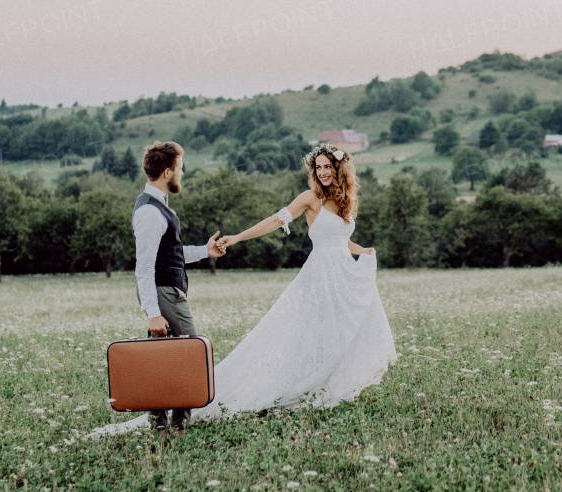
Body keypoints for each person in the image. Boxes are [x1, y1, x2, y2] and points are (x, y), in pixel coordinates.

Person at [89, 143, 396, 437]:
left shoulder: (344, 200)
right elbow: (276, 220)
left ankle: (338, 386)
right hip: (318, 278)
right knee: (286, 335)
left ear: (339, 168)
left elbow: (340, 239)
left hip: (342, 274)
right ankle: (175, 419)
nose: (323, 173)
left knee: (340, 331)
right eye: (318, 168)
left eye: (327, 167)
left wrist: (361, 251)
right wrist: (236, 238)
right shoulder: (310, 198)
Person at [132, 141, 227, 432]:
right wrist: (153, 313)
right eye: (180, 170)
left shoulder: (158, 207)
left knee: (164, 358)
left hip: (164, 291)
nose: (182, 175)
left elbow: (171, 254)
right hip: (164, 294)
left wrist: (205, 251)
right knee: (191, 353)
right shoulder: (150, 212)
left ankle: (160, 424)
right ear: (166, 172)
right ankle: (178, 425)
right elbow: (145, 267)